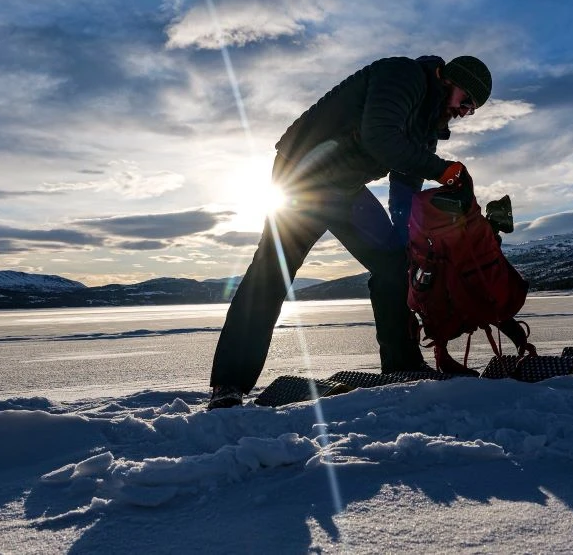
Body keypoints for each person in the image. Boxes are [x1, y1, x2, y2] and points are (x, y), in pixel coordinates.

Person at [208, 55, 492, 409]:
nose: (465, 112)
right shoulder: (403, 75)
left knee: (394, 265)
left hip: (346, 187)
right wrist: (442, 169)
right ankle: (229, 384)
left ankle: (401, 364)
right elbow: (380, 137)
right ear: (449, 78)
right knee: (274, 269)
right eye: (466, 101)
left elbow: (406, 181)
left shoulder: (428, 121)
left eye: (472, 109)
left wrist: (408, 239)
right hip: (304, 175)